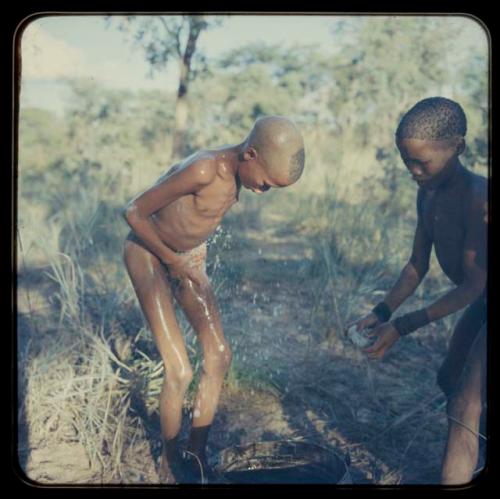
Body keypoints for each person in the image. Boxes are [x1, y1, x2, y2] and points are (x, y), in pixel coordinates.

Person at [122, 116, 305, 483]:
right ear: (249, 154)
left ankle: (197, 453)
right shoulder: (206, 168)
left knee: (219, 355)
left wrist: (192, 253)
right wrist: (173, 261)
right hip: (148, 254)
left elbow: (196, 218)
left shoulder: (241, 176)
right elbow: (133, 212)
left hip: (183, 259)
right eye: (266, 184)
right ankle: (170, 463)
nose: (261, 192)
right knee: (180, 370)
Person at [347, 97, 487, 484]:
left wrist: (403, 327)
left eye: (421, 162)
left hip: (483, 293)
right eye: (406, 160)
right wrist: (381, 313)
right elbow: (415, 267)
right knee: (449, 379)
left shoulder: (478, 197)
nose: (412, 170)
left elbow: (476, 284)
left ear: (457, 146)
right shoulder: (427, 193)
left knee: (464, 403)